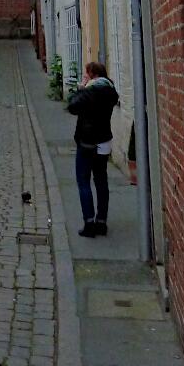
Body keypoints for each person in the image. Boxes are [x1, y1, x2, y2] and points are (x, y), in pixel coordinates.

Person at [67, 60, 119, 237]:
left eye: (86, 74)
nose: (85, 77)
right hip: (104, 140)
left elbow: (72, 106)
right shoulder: (110, 90)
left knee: (83, 181)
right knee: (101, 181)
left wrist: (80, 88)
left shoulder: (90, 91)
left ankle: (89, 223)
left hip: (87, 141)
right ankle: (102, 222)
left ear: (94, 75)